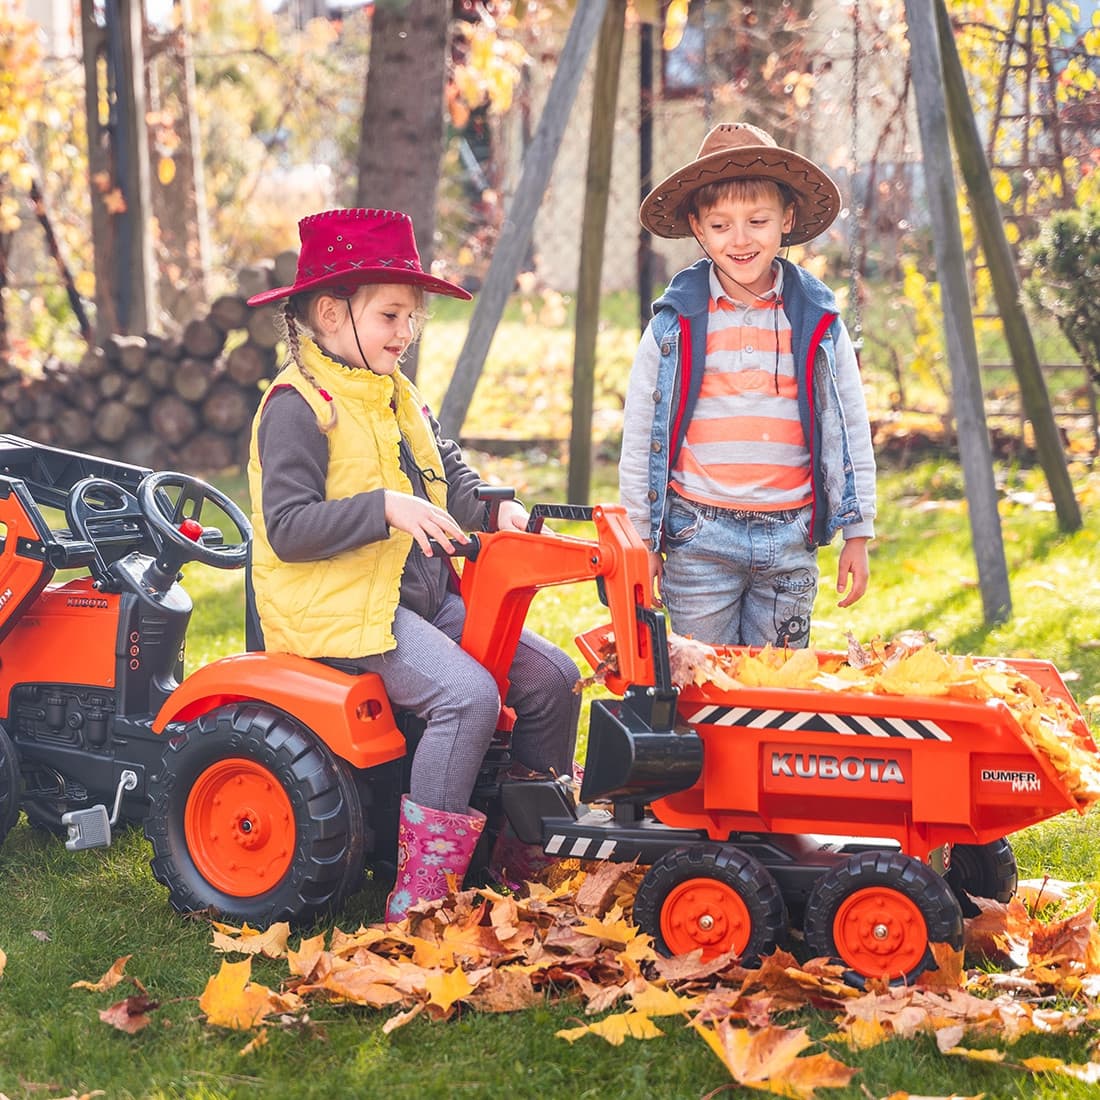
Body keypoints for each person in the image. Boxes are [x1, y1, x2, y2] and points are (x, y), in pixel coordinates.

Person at [245, 208, 580, 921]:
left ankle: (521, 859)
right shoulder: (298, 408)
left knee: (552, 678)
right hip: (340, 611)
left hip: (416, 600)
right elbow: (287, 529)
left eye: (412, 319)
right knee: (466, 696)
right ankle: (421, 892)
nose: (406, 332)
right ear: (332, 313)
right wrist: (384, 507)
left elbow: (448, 477)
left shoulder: (400, 396)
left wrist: (495, 511)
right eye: (392, 315)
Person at [620, 123, 876, 648]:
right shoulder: (674, 325)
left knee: (773, 689)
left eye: (757, 221)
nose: (740, 239)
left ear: (786, 219)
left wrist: (858, 530)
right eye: (721, 225)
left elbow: (849, 427)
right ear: (697, 227)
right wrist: (642, 541)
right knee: (699, 682)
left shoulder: (819, 322)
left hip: (790, 539)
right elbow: (642, 434)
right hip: (699, 538)